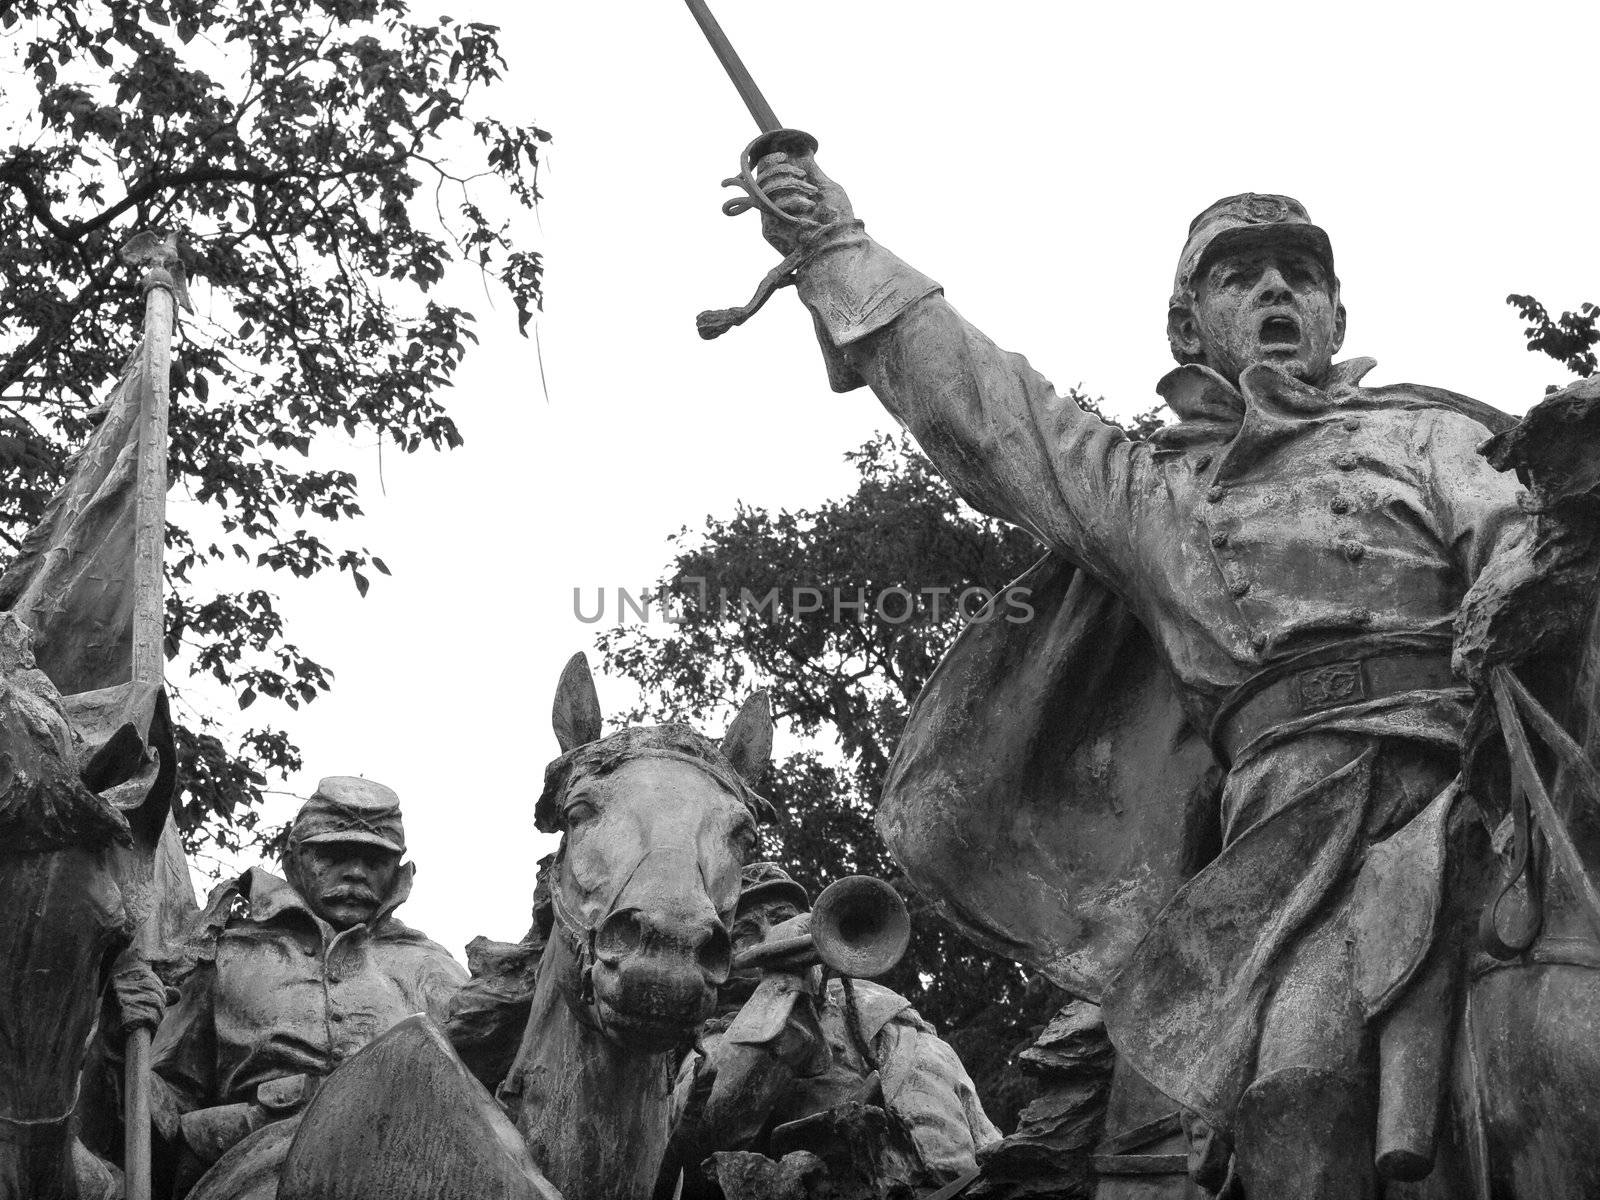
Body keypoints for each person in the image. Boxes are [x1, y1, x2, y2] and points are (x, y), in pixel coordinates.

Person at [737, 160, 1530, 1199]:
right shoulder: (1152, 495)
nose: (1276, 291)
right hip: (1302, 841)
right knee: (1299, 1085)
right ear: (1188, 327)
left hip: (1494, 770)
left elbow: (1524, 543)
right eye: (1239, 277)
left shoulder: (1440, 432)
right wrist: (836, 248)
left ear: (1336, 314)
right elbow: (989, 410)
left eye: (1299, 272)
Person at [118, 776, 468, 1196]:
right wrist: (113, 1033)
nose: (355, 873)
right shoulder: (223, 954)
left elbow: (488, 1088)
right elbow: (164, 1103)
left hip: (413, 1167)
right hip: (260, 1165)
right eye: (335, 855)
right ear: (293, 858)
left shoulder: (430, 964)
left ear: (398, 870)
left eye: (374, 861)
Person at [663, 863, 999, 1195]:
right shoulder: (709, 1036)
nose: (771, 934)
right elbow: (705, 1133)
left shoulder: (874, 1006)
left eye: (782, 919)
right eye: (746, 932)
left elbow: (968, 1117)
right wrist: (780, 987)